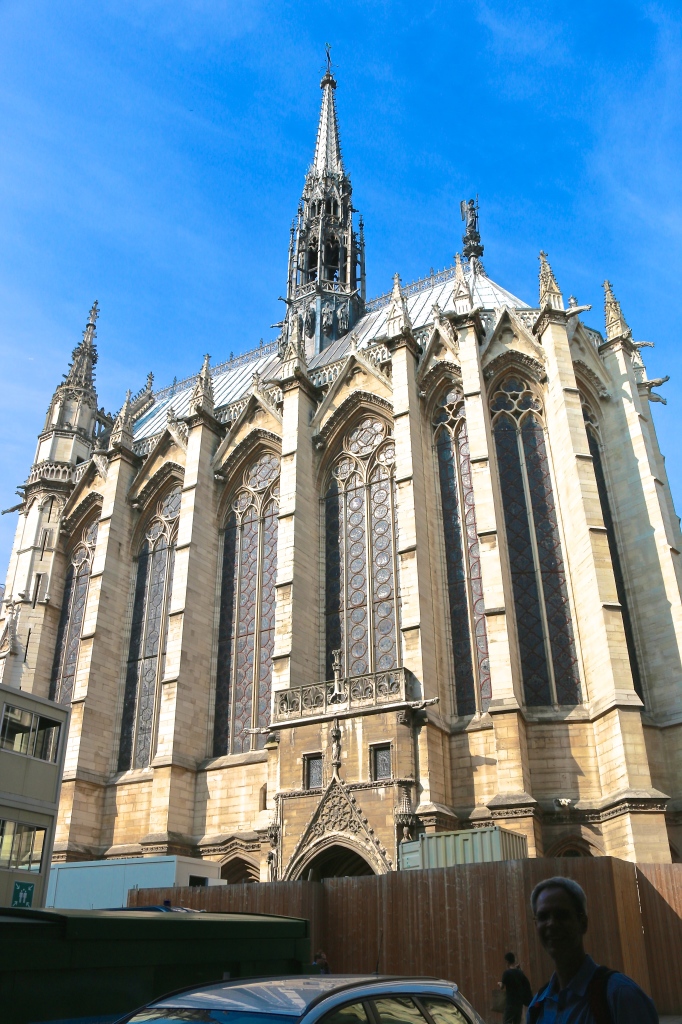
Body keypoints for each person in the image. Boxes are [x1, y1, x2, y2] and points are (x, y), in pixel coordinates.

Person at [527, 876, 658, 1023]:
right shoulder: (537, 1007)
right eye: (543, 917)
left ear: (583, 923)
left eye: (561, 915)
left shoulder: (621, 996)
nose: (551, 924)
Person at [498, 952, 532, 1024]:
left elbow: (502, 987)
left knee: (507, 1021)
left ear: (507, 962)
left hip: (510, 1003)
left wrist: (499, 983)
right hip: (519, 1004)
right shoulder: (520, 973)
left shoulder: (506, 973)